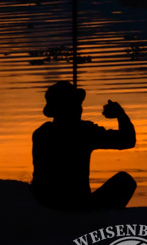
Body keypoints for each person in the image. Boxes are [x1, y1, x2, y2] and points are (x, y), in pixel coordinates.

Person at [31, 80, 137, 210]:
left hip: (47, 203)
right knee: (125, 181)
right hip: (79, 205)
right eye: (77, 104)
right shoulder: (85, 132)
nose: (80, 108)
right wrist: (120, 115)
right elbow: (128, 140)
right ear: (71, 108)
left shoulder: (41, 133)